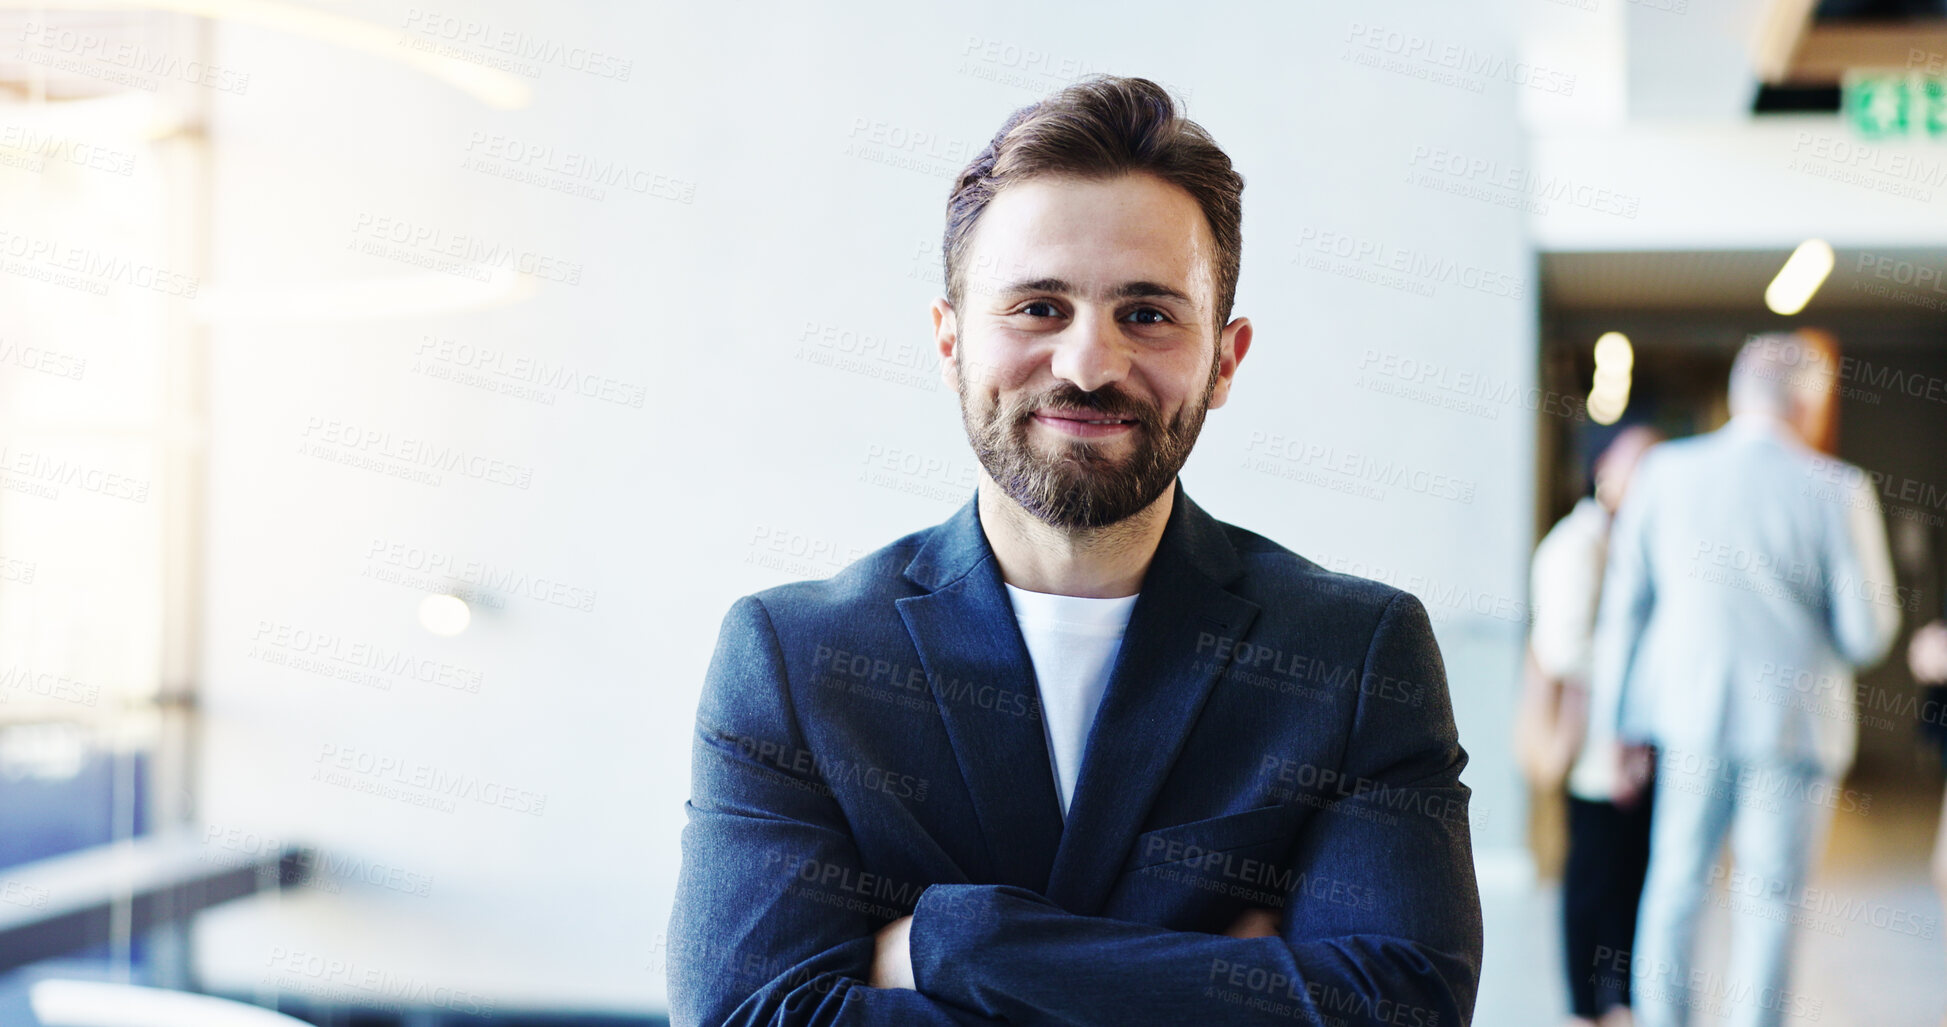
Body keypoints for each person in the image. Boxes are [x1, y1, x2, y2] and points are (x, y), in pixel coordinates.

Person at [666, 76, 1483, 1026]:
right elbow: (747, 1016)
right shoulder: (792, 659)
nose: (1088, 364)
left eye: (1147, 314)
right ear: (949, 341)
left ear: (1224, 359)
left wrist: (954, 945)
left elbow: (1400, 1010)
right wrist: (1225, 979)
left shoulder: (1354, 653)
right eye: (1037, 308)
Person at [1588, 333, 1902, 1027]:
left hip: (1687, 716)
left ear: (1738, 393)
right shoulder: (1838, 489)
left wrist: (1615, 726)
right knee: (1768, 905)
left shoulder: (1666, 473)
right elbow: (1867, 633)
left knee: (1672, 889)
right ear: (1810, 400)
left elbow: (1624, 612)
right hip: (1793, 727)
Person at [1519, 425, 1661, 1027]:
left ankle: (1616, 1002)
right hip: (1594, 750)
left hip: (1627, 746)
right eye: (1640, 470)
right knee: (1593, 879)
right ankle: (1585, 1008)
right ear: (1607, 471)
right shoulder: (1578, 545)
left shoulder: (1624, 541)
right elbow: (1563, 648)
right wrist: (1646, 664)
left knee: (1628, 878)